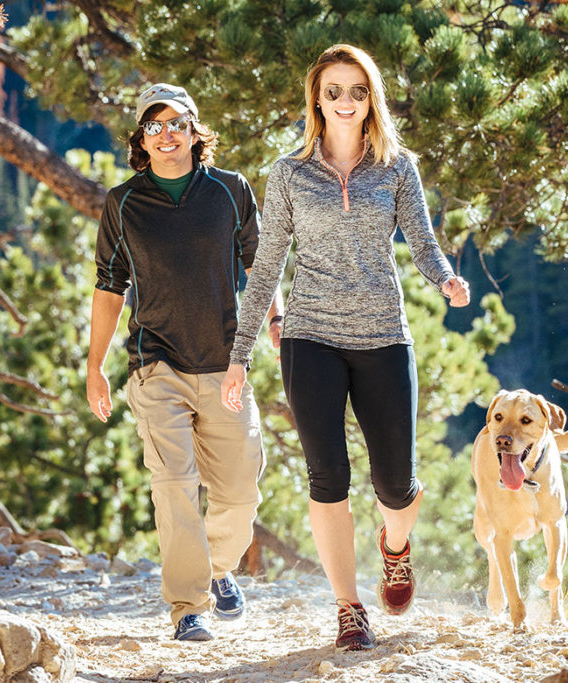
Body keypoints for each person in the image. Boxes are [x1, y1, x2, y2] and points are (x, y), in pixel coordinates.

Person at [220, 45, 470, 652]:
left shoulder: (397, 168)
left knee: (396, 485)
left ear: (370, 99)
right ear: (317, 99)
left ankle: (395, 547)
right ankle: (349, 608)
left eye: (357, 91)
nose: (345, 101)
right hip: (310, 340)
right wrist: (240, 353)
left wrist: (444, 279)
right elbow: (267, 266)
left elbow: (423, 243)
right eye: (334, 90)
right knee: (328, 476)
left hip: (384, 335)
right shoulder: (289, 173)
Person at [87, 83, 283, 642]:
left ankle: (218, 570)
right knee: (173, 485)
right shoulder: (122, 202)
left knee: (241, 492)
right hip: (156, 364)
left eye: (177, 123)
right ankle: (187, 606)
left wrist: (275, 320)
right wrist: (94, 365)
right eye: (155, 126)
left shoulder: (229, 191)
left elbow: (262, 262)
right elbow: (108, 285)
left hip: (227, 363)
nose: (167, 133)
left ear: (197, 133)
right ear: (141, 141)